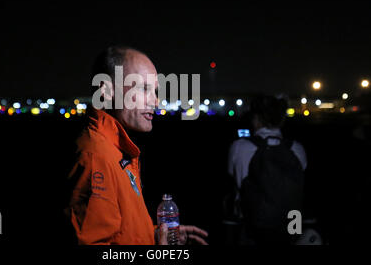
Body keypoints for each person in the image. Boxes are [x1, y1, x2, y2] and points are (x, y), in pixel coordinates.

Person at [66, 45, 208, 245]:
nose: (155, 102)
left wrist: (155, 236)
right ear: (107, 91)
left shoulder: (115, 151)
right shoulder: (97, 157)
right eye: (143, 88)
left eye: (155, 91)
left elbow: (121, 234)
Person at [227, 95, 307, 244]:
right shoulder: (297, 149)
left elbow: (233, 177)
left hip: (254, 228)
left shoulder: (239, 147)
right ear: (282, 120)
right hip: (291, 225)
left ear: (256, 119)